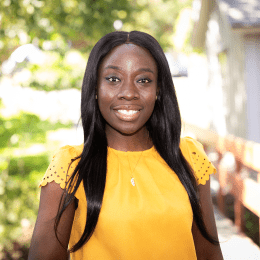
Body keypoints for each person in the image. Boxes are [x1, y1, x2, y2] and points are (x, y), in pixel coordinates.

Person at [28, 31, 224, 260]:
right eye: (113, 79)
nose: (129, 93)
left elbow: (209, 254)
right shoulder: (69, 167)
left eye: (143, 80)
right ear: (94, 88)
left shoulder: (189, 157)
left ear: (158, 90)